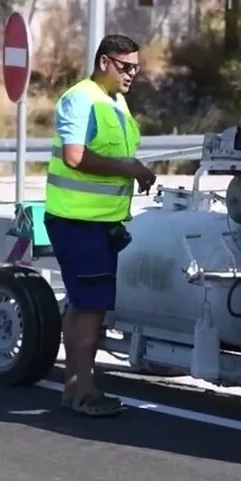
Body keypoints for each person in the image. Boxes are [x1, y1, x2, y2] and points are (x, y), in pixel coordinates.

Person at [44, 34, 156, 417]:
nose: (132, 75)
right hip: (79, 221)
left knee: (83, 305)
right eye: (126, 67)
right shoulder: (81, 98)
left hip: (99, 221)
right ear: (104, 62)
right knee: (91, 308)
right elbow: (75, 156)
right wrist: (129, 168)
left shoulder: (116, 102)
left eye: (137, 68)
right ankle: (84, 390)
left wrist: (132, 169)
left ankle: (73, 387)